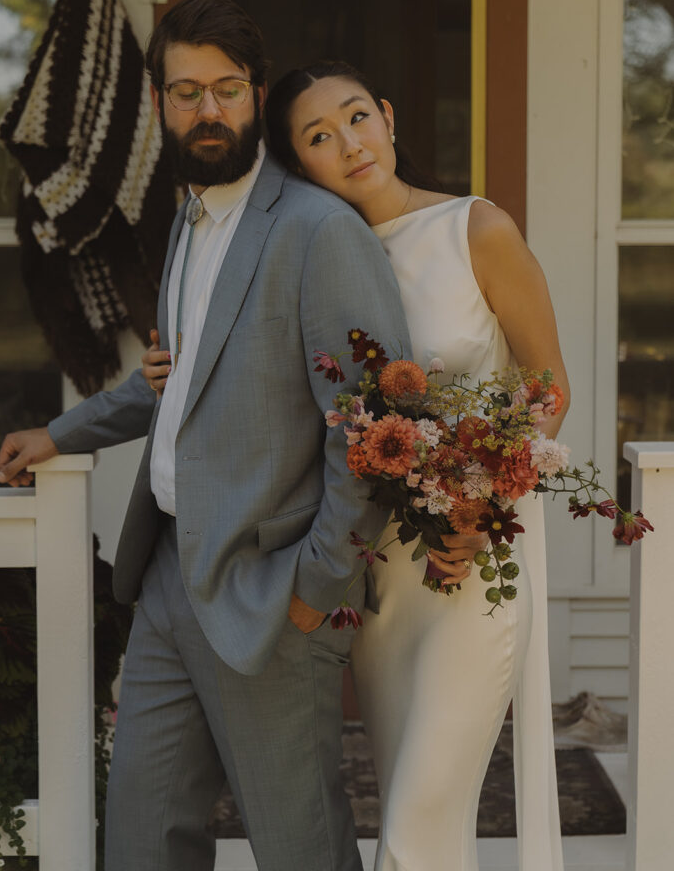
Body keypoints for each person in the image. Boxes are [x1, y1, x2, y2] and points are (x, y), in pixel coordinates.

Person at [0, 0, 486, 871]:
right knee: (140, 839)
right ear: (158, 105)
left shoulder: (317, 231)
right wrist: (63, 432)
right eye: (186, 92)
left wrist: (319, 586)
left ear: (256, 95)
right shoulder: (188, 221)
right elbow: (179, 378)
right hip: (168, 582)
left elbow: (370, 432)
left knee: (296, 847)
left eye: (225, 89)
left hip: (272, 591)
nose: (206, 110)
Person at [260, 60, 570, 871]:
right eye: (319, 137)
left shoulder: (477, 229)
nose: (350, 144)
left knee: (414, 828)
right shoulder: (316, 261)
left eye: (357, 116)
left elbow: (547, 391)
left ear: (389, 117)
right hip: (381, 585)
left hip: (473, 570)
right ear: (300, 166)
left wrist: (474, 502)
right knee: (413, 815)